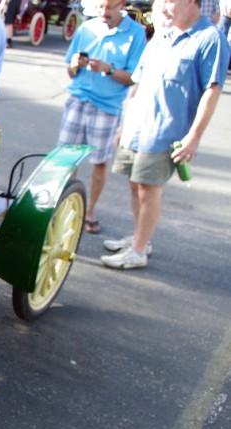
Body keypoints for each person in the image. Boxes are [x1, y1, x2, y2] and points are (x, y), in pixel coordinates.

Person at [101, 0, 230, 269]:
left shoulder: (210, 37)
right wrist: (124, 124)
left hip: (166, 130)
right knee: (135, 184)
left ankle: (138, 251)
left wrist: (193, 137)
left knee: (149, 187)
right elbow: (138, 81)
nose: (165, 6)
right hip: (137, 126)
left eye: (172, 1)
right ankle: (140, 239)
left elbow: (212, 90)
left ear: (194, 3)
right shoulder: (163, 35)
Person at [57, 0, 146, 234]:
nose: (104, 13)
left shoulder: (135, 33)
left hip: (106, 106)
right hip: (78, 99)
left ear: (122, 5)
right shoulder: (87, 28)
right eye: (100, 7)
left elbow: (135, 77)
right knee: (67, 159)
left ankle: (89, 212)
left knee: (99, 162)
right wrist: (75, 65)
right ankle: (64, 206)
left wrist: (108, 69)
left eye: (109, 8)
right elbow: (69, 70)